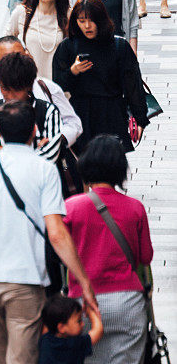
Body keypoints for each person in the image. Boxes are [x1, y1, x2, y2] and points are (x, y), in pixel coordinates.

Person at [0, 100, 97, 364]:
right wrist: (83, 280)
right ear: (35, 129)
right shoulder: (45, 170)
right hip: (23, 279)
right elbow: (57, 233)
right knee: (23, 359)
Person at [64, 135, 154, 364]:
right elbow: (145, 256)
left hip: (84, 304)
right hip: (127, 303)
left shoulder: (71, 208)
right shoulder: (135, 208)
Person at [52, 0, 149, 153]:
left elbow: (133, 85)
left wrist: (140, 119)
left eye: (92, 20)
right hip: (80, 113)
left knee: (111, 169)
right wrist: (73, 71)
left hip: (112, 112)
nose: (87, 26)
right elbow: (57, 85)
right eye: (81, 21)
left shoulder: (119, 46)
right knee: (83, 170)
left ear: (101, 20)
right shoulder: (68, 47)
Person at [7, 0, 69, 80]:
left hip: (60, 86)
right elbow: (6, 42)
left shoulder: (69, 15)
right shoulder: (22, 12)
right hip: (28, 83)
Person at [38, 294, 103, 364]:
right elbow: (98, 331)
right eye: (79, 321)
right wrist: (90, 310)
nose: (83, 324)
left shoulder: (45, 340)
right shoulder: (74, 344)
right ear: (62, 328)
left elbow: (47, 320)